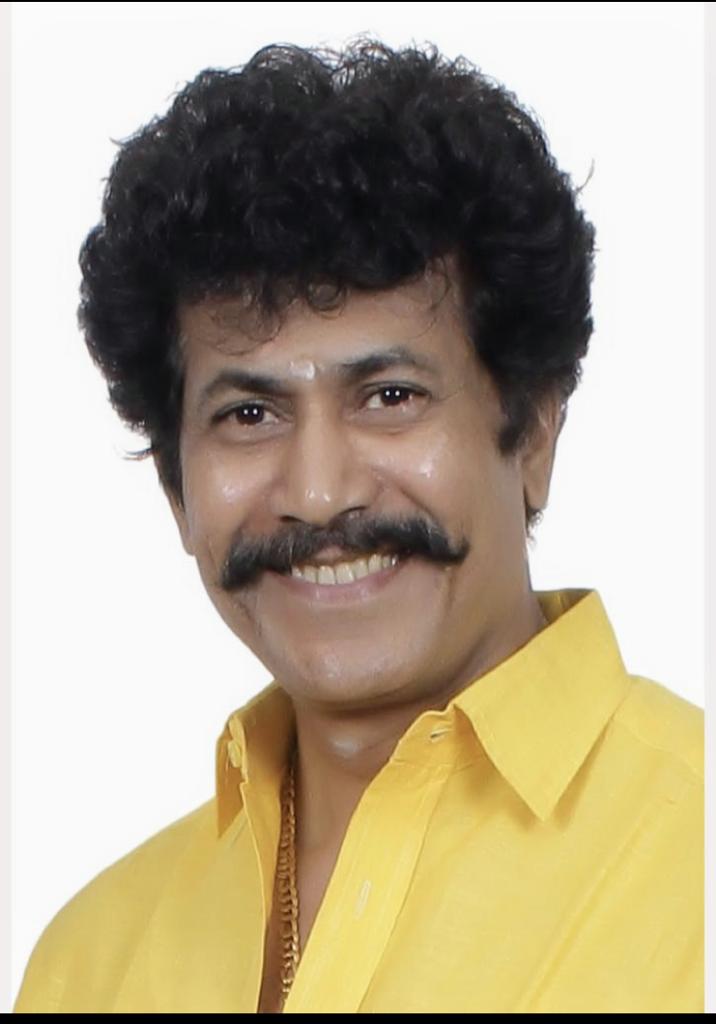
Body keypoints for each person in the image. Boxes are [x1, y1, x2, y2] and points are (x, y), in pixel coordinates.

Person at [14, 37, 703, 1014]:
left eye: (389, 396)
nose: (319, 491)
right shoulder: (90, 964)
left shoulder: (691, 866)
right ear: (176, 489)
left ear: (534, 430)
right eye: (248, 414)